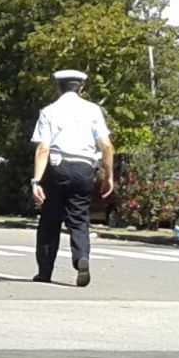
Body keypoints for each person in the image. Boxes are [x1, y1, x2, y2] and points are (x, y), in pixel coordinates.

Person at [30, 68, 114, 286]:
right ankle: (81, 259)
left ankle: (45, 271)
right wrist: (108, 176)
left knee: (50, 220)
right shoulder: (93, 110)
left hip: (57, 167)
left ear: (58, 87)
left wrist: (36, 181)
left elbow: (43, 148)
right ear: (82, 88)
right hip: (85, 169)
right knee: (79, 219)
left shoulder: (49, 111)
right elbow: (106, 145)